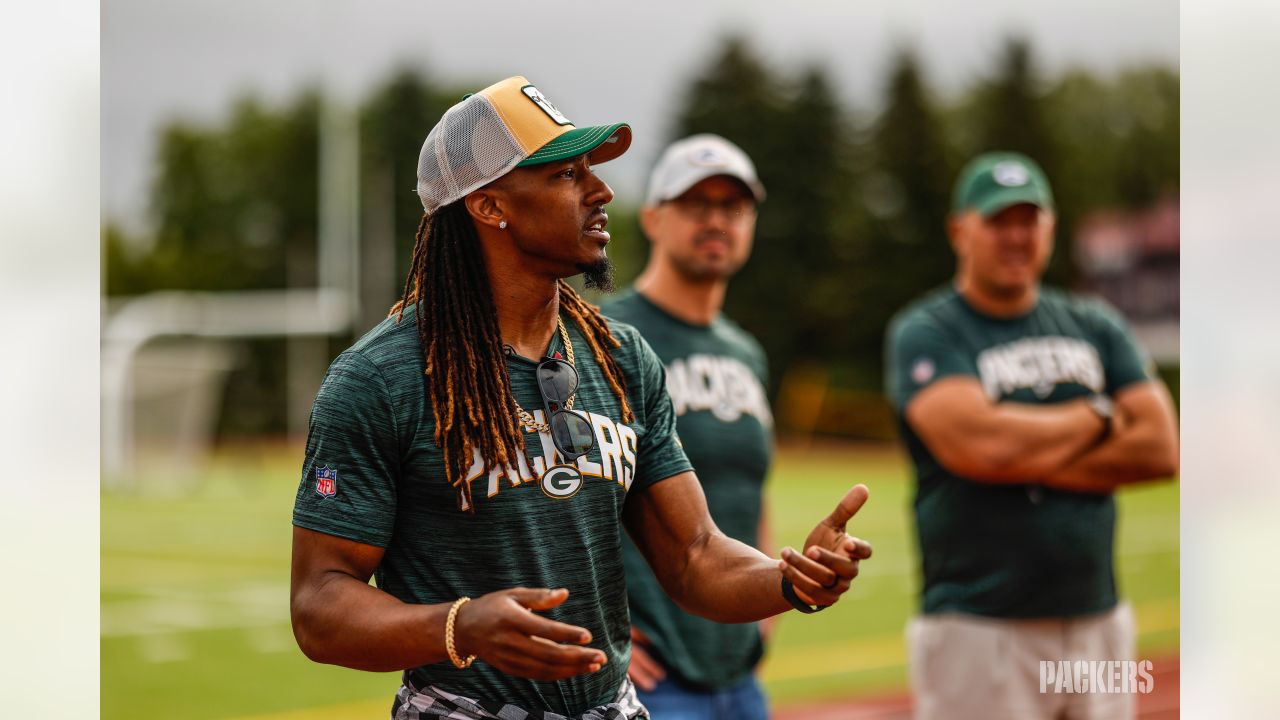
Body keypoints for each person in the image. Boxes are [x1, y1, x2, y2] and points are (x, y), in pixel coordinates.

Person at [290, 76, 874, 720]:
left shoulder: (620, 358)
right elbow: (320, 603)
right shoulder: (380, 377)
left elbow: (695, 555)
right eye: (566, 175)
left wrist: (789, 580)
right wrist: (460, 625)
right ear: (489, 206)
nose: (601, 192)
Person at [885, 151, 1179, 720]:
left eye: (1030, 220)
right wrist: (1098, 416)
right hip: (979, 625)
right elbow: (980, 445)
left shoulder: (1095, 322)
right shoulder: (927, 330)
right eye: (998, 221)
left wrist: (1023, 457)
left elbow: (1162, 448)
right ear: (959, 230)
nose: (1016, 236)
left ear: (1050, 228)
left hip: (1099, 617)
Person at [600, 134, 774, 720]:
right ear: (652, 217)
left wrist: (769, 602)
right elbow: (555, 493)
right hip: (648, 680)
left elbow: (752, 486)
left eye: (733, 207)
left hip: (739, 671)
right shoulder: (603, 336)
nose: (716, 221)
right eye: (696, 205)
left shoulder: (746, 352)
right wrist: (591, 626)